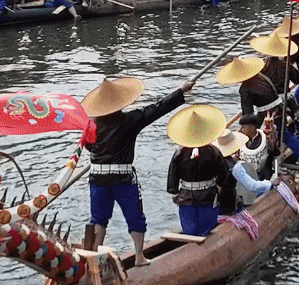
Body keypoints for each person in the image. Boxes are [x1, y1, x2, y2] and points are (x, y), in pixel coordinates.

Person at [80, 75, 189, 265]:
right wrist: (181, 91)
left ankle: (94, 261)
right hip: (122, 178)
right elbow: (157, 109)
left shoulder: (91, 126)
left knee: (98, 219)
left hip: (97, 177)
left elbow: (88, 147)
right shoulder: (129, 120)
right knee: (135, 217)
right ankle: (139, 256)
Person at [164, 103, 236, 238]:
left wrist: (174, 191)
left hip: (185, 196)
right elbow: (223, 176)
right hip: (207, 195)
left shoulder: (180, 153)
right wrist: (222, 185)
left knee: (189, 227)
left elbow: (172, 178)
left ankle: (189, 246)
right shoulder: (213, 152)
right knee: (206, 226)